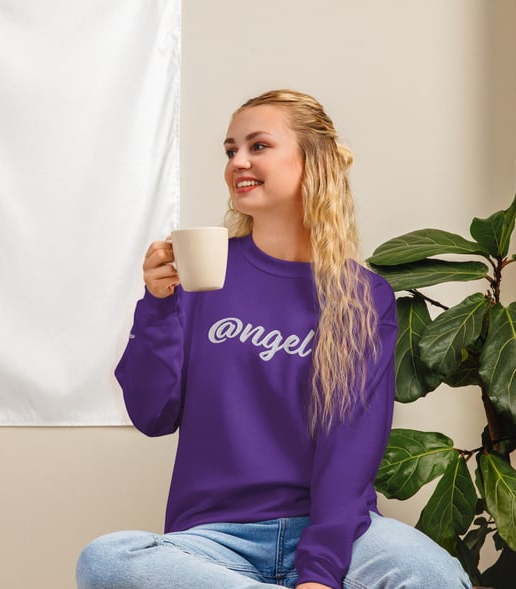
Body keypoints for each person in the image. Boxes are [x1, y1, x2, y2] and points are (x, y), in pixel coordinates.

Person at [76, 90, 471, 589]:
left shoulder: (361, 296)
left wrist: (319, 575)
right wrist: (157, 304)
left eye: (257, 146)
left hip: (339, 534)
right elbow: (152, 415)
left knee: (436, 575)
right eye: (230, 150)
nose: (237, 161)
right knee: (105, 561)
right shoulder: (201, 277)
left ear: (313, 161)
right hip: (216, 540)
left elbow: (351, 445)